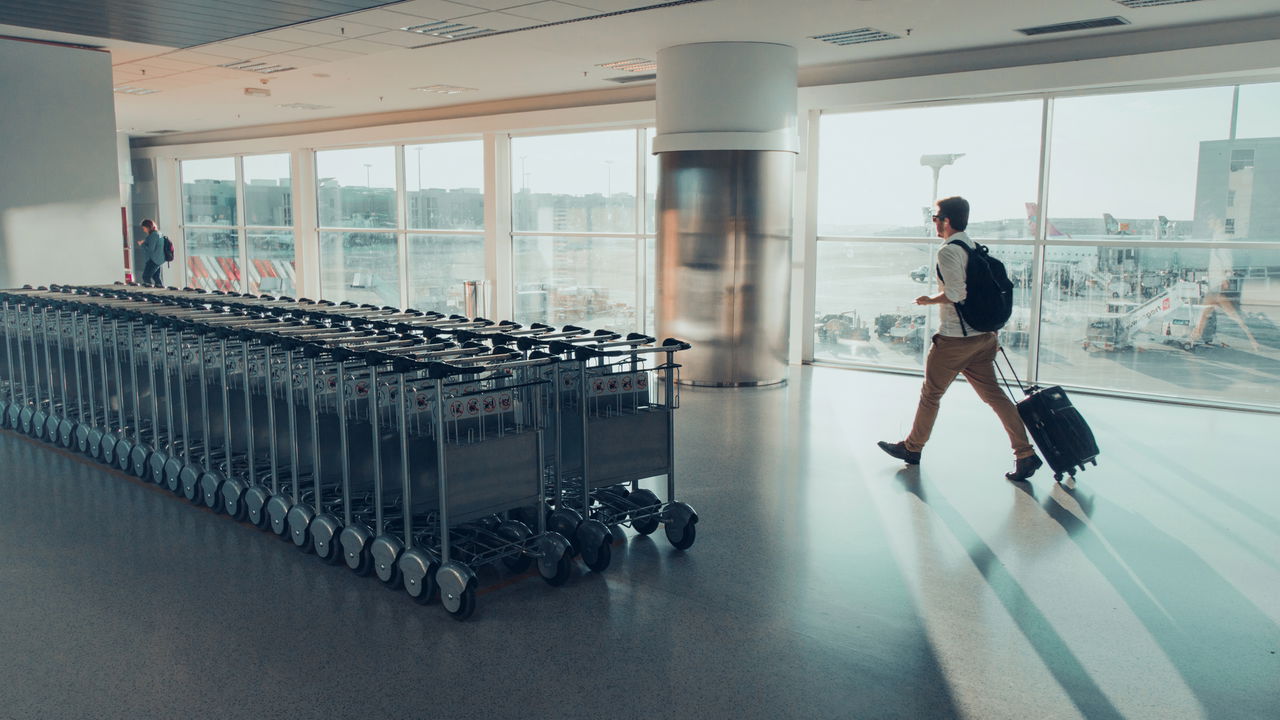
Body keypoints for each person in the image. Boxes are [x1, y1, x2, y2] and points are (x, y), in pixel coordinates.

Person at [877, 196, 1044, 482]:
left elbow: (957, 294)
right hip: (984, 338)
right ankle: (1025, 454)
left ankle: (912, 448)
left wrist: (929, 300)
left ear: (946, 221)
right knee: (996, 397)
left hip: (956, 340)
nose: (934, 224)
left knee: (931, 395)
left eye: (935, 218)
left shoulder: (949, 252)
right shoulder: (973, 247)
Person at [136, 219, 165, 287]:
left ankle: (150, 291)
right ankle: (160, 291)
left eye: (144, 228)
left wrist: (142, 244)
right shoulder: (159, 233)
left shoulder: (153, 235)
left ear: (148, 227)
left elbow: (150, 249)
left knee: (146, 277)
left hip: (153, 260)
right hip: (158, 259)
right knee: (156, 277)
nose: (144, 230)